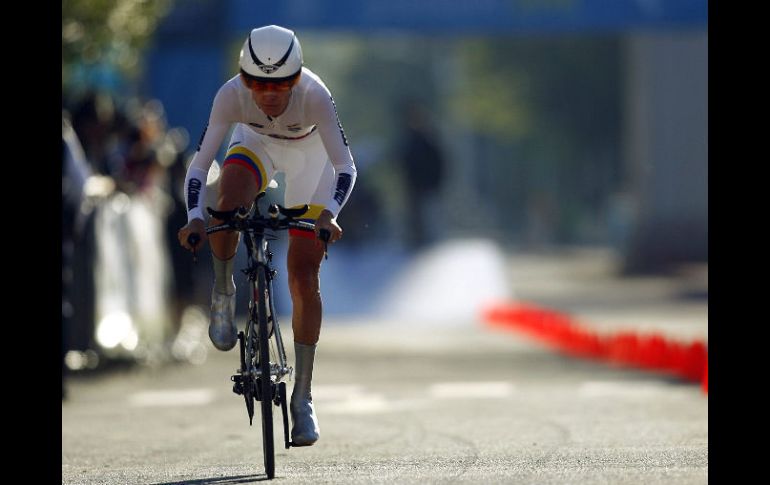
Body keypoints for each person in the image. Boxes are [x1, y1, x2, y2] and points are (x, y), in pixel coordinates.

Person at [177, 25, 357, 447]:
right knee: (227, 203)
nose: (270, 94)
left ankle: (303, 397)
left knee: (303, 274)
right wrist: (195, 217)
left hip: (311, 159)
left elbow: (345, 165)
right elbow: (200, 166)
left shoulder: (315, 95)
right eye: (258, 84)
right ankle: (224, 289)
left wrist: (329, 214)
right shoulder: (230, 95)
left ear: (297, 78)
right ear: (244, 79)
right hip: (255, 144)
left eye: (281, 84)